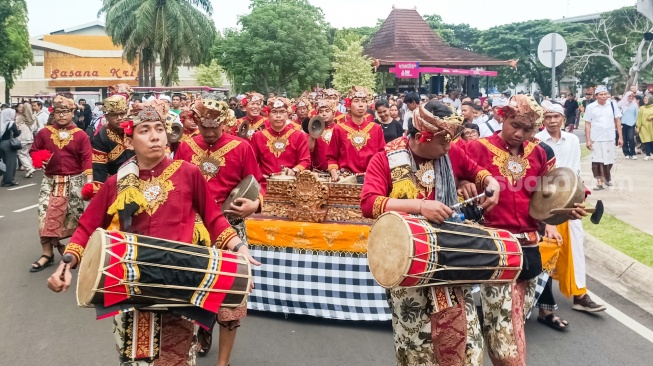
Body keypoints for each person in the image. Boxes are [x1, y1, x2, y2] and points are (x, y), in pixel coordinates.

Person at [46, 98, 258, 366]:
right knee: (136, 360)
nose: (154, 136)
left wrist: (239, 248)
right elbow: (88, 226)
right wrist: (67, 263)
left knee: (177, 359)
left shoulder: (188, 173)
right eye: (144, 130)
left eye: (159, 128)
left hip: (179, 281)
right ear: (129, 141)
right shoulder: (117, 182)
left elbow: (213, 218)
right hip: (132, 283)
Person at [361, 100, 500, 366]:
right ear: (418, 137)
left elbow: (479, 173)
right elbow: (369, 203)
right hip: (407, 262)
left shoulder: (451, 153)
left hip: (450, 257)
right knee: (416, 348)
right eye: (441, 142)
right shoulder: (385, 159)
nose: (448, 148)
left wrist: (491, 182)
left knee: (467, 344)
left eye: (450, 141)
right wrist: (420, 206)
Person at [464, 94, 587, 366]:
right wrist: (465, 184)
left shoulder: (539, 153)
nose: (520, 134)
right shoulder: (476, 149)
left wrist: (571, 207)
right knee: (503, 320)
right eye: (514, 125)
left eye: (528, 129)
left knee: (515, 317)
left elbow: (553, 194)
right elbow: (457, 178)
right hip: (494, 244)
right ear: (502, 117)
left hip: (530, 246)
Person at [175, 95, 264, 365]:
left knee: (231, 301)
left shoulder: (242, 147)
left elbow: (258, 183)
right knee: (190, 294)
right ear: (197, 123)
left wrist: (256, 204)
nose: (210, 133)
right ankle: (201, 331)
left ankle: (223, 362)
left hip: (231, 227)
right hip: (194, 230)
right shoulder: (185, 146)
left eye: (215, 127)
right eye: (205, 127)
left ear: (225, 123)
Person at [535, 101, 606, 324]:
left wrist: (581, 192)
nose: (552, 121)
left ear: (563, 119)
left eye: (556, 116)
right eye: (548, 117)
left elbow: (575, 169)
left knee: (574, 246)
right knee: (545, 252)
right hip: (544, 202)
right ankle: (540, 302)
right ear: (542, 120)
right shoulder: (536, 141)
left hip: (570, 199)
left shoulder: (573, 140)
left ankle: (579, 294)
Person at [29, 95, 93, 272]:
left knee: (75, 219)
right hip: (50, 182)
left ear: (73, 112)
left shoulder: (81, 135)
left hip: (74, 182)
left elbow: (87, 158)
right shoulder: (44, 133)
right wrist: (38, 159)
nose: (62, 115)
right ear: (53, 113)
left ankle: (75, 252)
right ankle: (47, 254)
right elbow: (34, 150)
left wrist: (89, 182)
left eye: (66, 111)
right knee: (44, 216)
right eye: (58, 112)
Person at [327, 86, 385, 181]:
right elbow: (331, 157)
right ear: (349, 105)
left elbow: (382, 155)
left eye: (363, 101)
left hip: (372, 178)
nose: (361, 104)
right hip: (346, 178)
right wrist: (334, 173)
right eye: (356, 101)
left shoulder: (376, 128)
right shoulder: (339, 129)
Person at [251, 97, 311, 176]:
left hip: (291, 183)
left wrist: (294, 170)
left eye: (282, 112)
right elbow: (252, 161)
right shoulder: (258, 136)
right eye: (274, 112)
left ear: (287, 115)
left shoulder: (299, 135)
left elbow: (305, 160)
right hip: (266, 182)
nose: (278, 116)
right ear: (268, 115)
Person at [91, 94, 135, 193]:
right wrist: (99, 194)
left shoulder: (136, 130)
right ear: (106, 116)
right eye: (114, 115)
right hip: (115, 184)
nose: (119, 118)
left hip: (140, 179)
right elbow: (99, 168)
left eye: (122, 114)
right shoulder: (102, 136)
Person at [584, 85, 623, 190]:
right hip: (596, 137)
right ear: (596, 96)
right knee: (597, 160)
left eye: (605, 94)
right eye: (601, 94)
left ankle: (607, 177)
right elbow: (587, 124)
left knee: (609, 160)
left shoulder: (612, 105)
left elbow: (618, 122)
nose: (603, 96)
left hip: (610, 137)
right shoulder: (590, 107)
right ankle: (599, 182)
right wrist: (588, 139)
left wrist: (620, 137)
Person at [309, 99, 337, 171]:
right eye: (321, 112)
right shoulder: (314, 129)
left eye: (327, 111)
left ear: (333, 113)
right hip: (318, 171)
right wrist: (312, 133)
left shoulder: (339, 129)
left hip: (337, 171)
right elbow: (310, 148)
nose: (324, 114)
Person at [0, 108, 21, 186]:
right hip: (9, 144)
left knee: (4, 163)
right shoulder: (11, 123)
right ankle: (9, 181)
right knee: (11, 164)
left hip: (1, 144)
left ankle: (4, 180)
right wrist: (20, 130)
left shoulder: (1, 123)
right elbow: (16, 134)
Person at [15, 103, 36, 177]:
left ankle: (29, 168)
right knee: (26, 153)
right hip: (30, 138)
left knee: (21, 154)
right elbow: (35, 128)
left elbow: (17, 128)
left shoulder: (20, 118)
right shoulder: (33, 117)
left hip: (22, 138)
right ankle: (31, 168)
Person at [621, 91, 639, 160]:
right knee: (624, 139)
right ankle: (626, 153)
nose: (631, 97)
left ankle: (633, 153)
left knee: (631, 138)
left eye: (632, 96)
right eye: (629, 96)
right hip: (623, 123)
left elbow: (637, 115)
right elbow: (618, 113)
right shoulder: (622, 104)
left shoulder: (634, 105)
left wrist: (636, 123)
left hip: (631, 123)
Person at [637, 95, 653, 160]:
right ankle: (647, 154)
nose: (645, 100)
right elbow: (639, 117)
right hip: (644, 127)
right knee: (646, 140)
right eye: (644, 99)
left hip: (651, 127)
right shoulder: (642, 108)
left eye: (647, 99)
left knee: (652, 140)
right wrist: (638, 126)